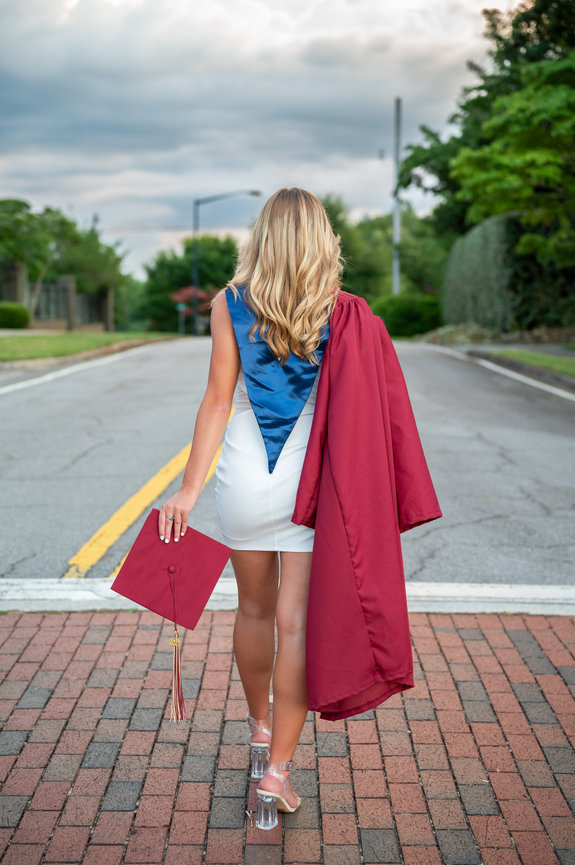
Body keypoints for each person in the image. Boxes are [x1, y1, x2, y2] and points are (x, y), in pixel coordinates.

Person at [158, 187, 342, 829]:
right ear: (321, 240)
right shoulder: (342, 311)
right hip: (308, 480)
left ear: (260, 237)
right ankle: (277, 775)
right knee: (294, 624)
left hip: (243, 472)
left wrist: (187, 489)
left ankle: (260, 728)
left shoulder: (229, 303)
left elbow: (216, 400)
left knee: (253, 609)